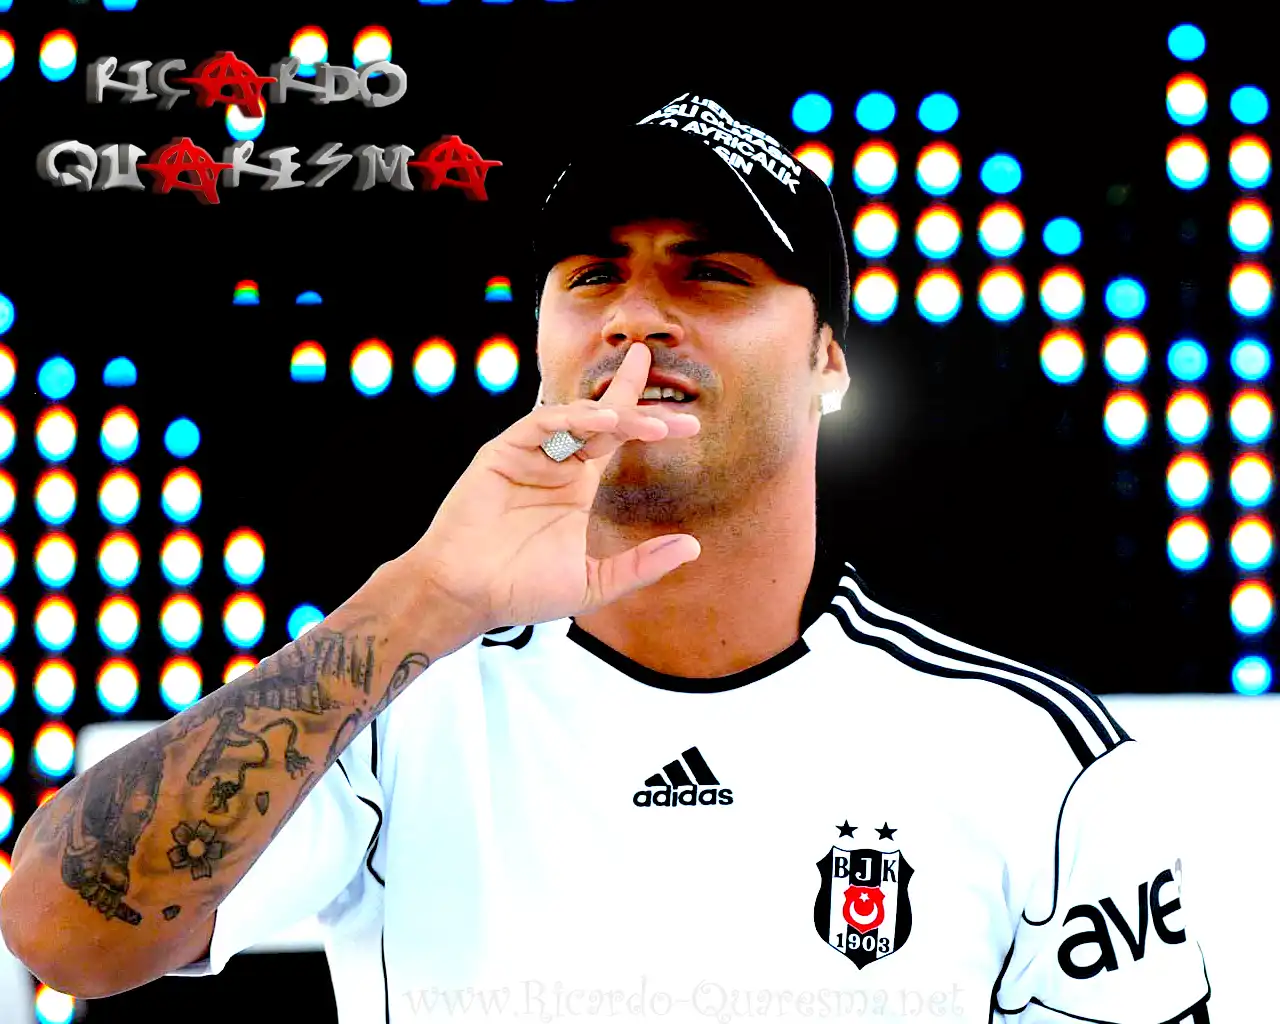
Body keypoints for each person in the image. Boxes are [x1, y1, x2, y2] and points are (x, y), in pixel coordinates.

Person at [0, 92, 1211, 1024]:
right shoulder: (395, 709)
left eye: (711, 272)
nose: (634, 315)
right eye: (591, 278)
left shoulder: (1029, 753)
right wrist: (424, 594)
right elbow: (59, 933)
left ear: (827, 363)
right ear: (541, 342)